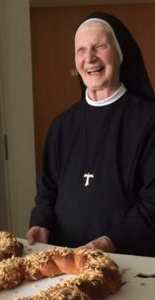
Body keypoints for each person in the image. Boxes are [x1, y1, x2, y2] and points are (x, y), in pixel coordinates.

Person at [26, 11, 155, 256]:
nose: (90, 58)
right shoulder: (61, 126)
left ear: (120, 53)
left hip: (129, 261)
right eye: (81, 50)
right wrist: (40, 222)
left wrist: (107, 243)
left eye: (100, 46)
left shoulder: (149, 121)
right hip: (66, 261)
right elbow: (46, 191)